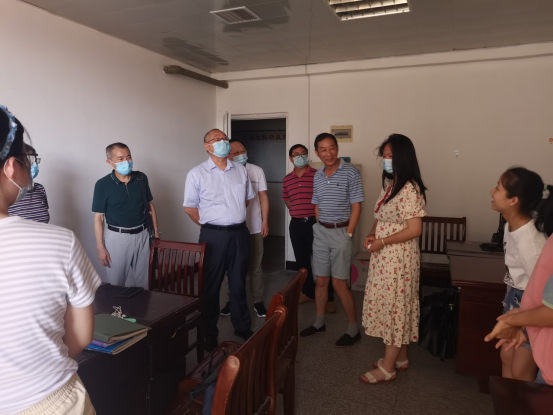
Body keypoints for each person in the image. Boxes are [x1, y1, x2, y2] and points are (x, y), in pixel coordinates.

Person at [0, 106, 101, 414]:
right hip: (49, 400)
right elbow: (80, 336)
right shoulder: (60, 242)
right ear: (10, 167)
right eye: (26, 160)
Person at [360, 134, 427, 384]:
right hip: (385, 256)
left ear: (403, 157)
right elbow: (380, 214)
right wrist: (372, 233)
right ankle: (401, 358)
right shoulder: (391, 184)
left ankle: (388, 368)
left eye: (391, 156)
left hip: (398, 258)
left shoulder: (409, 188)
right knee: (397, 304)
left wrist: (383, 241)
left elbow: (415, 229)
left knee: (395, 306)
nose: (387, 160)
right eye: (385, 156)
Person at [184, 129, 254, 352]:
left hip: (239, 234)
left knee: (239, 282)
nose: (223, 142)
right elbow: (189, 207)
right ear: (207, 146)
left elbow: (246, 200)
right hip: (213, 236)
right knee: (211, 285)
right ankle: (209, 332)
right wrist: (212, 225)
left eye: (225, 139)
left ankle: (242, 326)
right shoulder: (197, 173)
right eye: (217, 139)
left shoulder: (240, 170)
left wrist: (232, 219)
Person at [300, 133, 364, 347]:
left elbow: (357, 206)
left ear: (337, 149)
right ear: (317, 153)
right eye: (323, 149)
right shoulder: (317, 175)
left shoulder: (351, 172)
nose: (328, 153)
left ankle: (353, 329)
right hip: (321, 232)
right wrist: (319, 223)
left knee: (339, 283)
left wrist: (349, 233)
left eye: (332, 148)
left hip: (341, 232)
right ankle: (319, 323)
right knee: (321, 281)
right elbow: (317, 203)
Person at [485, 184, 553, 385]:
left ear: (514, 200)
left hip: (531, 307)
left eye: (498, 187)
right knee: (507, 356)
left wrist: (520, 320)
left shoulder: (530, 240)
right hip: (518, 300)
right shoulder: (510, 226)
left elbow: (542, 293)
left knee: (520, 368)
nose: (492, 191)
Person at [92, 143, 160, 289]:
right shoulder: (102, 185)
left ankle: (142, 305)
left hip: (143, 235)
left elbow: (150, 206)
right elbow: (99, 218)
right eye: (121, 159)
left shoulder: (141, 178)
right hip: (117, 238)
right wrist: (100, 247)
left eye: (128, 157)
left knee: (144, 283)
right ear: (110, 162)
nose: (126, 161)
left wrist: (156, 232)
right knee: (116, 284)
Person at [220, 139, 269, 318]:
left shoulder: (257, 171)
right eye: (236, 152)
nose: (241, 154)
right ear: (227, 155)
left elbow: (263, 197)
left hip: (254, 227)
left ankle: (258, 301)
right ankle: (230, 300)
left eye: (243, 150)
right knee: (232, 268)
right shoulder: (223, 173)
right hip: (232, 230)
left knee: (256, 267)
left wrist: (265, 221)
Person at [283, 144, 335, 311]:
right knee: (302, 261)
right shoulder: (287, 179)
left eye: (303, 154)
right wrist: (297, 210)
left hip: (316, 223)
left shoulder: (318, 175)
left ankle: (329, 297)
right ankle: (308, 292)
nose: (300, 157)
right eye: (296, 154)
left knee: (323, 261)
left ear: (308, 156)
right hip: (296, 225)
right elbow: (287, 199)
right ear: (291, 159)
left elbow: (326, 198)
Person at [8, 144, 50, 223]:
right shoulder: (7, 194)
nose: (34, 165)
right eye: (29, 160)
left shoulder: (40, 188)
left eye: (34, 160)